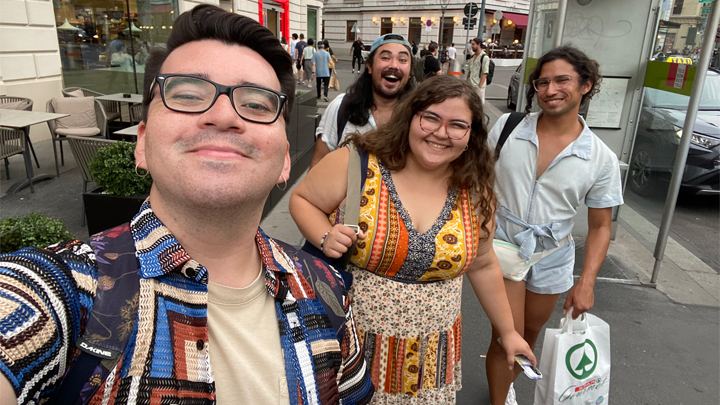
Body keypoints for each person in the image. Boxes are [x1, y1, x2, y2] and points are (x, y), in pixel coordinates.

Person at [0, 5, 374, 405]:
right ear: (141, 143)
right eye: (188, 95)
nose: (223, 114)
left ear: (284, 158)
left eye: (257, 104)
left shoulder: (328, 289)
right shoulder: (61, 295)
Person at [290, 75, 536, 404]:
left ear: (470, 135)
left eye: (457, 125)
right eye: (431, 118)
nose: (441, 132)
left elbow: (483, 263)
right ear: (410, 118)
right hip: (353, 347)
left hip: (431, 357)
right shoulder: (357, 164)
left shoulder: (475, 191)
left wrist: (508, 333)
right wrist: (323, 236)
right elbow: (303, 200)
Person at [485, 46, 623, 405]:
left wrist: (586, 282)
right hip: (504, 245)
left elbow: (600, 226)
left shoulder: (600, 157)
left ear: (586, 85)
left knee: (530, 332)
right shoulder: (509, 127)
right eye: (543, 82)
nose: (550, 89)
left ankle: (506, 382)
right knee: (506, 334)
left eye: (562, 80)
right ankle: (499, 399)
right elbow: (476, 178)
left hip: (553, 253)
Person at [309, 33, 416, 167]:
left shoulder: (419, 116)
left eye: (402, 60)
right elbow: (318, 166)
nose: (394, 65)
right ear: (369, 66)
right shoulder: (341, 107)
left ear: (410, 72)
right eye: (385, 57)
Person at [467, 38, 490, 104]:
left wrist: (479, 86)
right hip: (470, 85)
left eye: (473, 44)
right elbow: (469, 71)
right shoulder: (473, 57)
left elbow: (485, 73)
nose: (471, 46)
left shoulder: (484, 57)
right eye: (471, 44)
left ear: (478, 44)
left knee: (478, 105)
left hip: (478, 86)